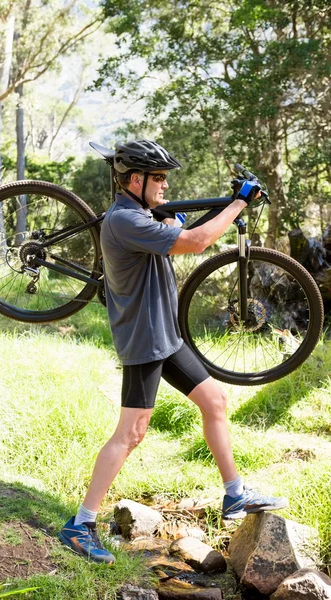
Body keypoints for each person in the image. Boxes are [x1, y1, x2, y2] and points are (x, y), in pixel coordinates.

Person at [58, 140, 288, 564]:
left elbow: (182, 232)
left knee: (214, 400)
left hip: (166, 335)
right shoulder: (125, 219)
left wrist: (187, 215)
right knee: (132, 434)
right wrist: (238, 203)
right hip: (145, 340)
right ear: (133, 180)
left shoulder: (142, 213)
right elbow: (197, 241)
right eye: (158, 178)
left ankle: (235, 494)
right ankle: (80, 524)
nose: (165, 185)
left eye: (165, 178)